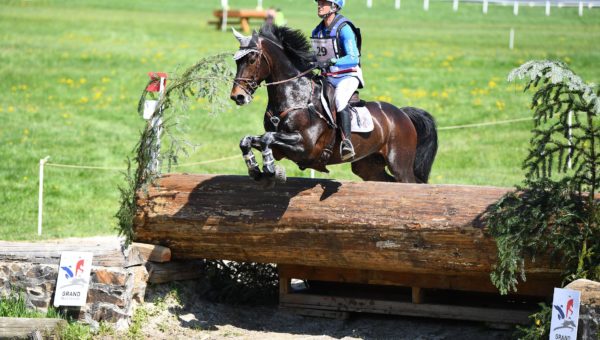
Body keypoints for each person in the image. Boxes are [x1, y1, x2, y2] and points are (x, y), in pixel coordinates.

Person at [311, 0, 364, 161]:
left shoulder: (344, 28)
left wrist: (333, 61)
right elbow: (317, 56)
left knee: (340, 100)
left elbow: (353, 57)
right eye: (319, 2)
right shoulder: (317, 31)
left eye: (324, 2)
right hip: (328, 77)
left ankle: (347, 142)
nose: (320, 5)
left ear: (334, 7)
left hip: (347, 76)